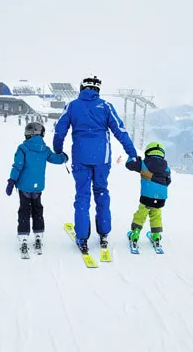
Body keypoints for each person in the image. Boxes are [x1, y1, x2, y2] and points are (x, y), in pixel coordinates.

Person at [53, 73, 138, 253]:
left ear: (82, 88)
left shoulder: (73, 106)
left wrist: (58, 149)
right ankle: (104, 233)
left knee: (82, 195)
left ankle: (82, 237)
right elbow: (120, 131)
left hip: (80, 158)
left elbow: (60, 130)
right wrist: (132, 153)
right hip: (102, 158)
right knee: (101, 192)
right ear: (97, 89)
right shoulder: (106, 107)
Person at [5, 122, 69, 256]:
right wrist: (64, 157)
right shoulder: (44, 149)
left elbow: (17, 166)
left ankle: (23, 237)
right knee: (37, 210)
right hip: (37, 187)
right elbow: (55, 159)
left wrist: (12, 181)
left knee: (24, 210)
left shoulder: (22, 148)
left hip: (24, 187)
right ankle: (38, 235)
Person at [125, 142, 171, 249]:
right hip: (161, 198)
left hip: (147, 197)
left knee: (141, 214)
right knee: (156, 215)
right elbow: (168, 181)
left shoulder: (144, 163)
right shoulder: (166, 167)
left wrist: (131, 156)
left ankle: (135, 234)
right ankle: (156, 236)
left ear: (148, 152)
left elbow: (129, 165)